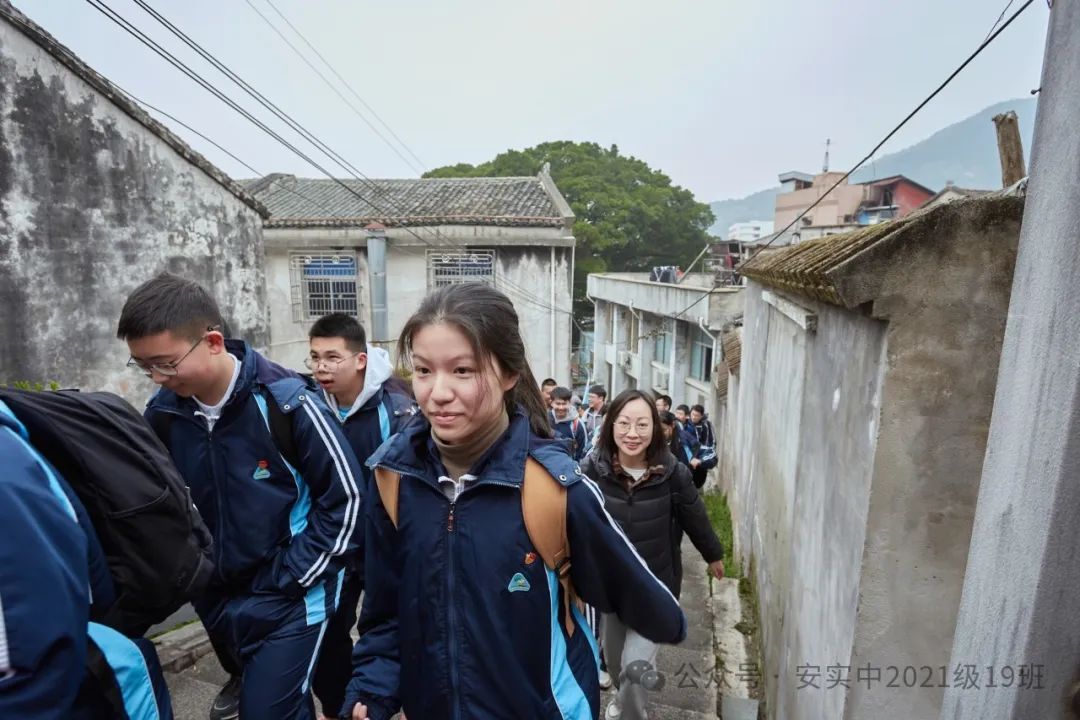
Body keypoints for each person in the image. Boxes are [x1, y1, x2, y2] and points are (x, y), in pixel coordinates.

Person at [342, 282, 686, 720]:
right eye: (424, 370)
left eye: (462, 370)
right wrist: (372, 688)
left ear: (510, 374)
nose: (438, 392)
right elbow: (385, 610)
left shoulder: (556, 488)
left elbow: (648, 603)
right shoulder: (393, 478)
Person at [118, 273, 365, 720]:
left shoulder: (287, 404)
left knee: (265, 710)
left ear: (213, 342)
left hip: (291, 596)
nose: (156, 377)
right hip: (218, 598)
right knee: (281, 704)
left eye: (166, 363)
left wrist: (292, 578)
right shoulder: (164, 414)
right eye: (144, 365)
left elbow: (348, 501)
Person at [0, 400, 172, 720]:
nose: (160, 378)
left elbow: (32, 674)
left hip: (89, 677)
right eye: (148, 372)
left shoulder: (7, 474)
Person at [581, 389, 725, 720]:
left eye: (642, 424)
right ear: (610, 425)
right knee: (615, 663)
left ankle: (632, 713)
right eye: (624, 423)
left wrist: (713, 554)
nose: (633, 433)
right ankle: (626, 699)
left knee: (634, 668)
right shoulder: (592, 469)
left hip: (656, 587)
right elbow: (569, 516)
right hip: (612, 590)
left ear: (655, 428)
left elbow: (695, 516)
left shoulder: (672, 472)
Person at [306, 313, 416, 719]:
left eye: (332, 357)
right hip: (333, 544)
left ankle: (389, 699)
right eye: (315, 357)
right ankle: (340, 707)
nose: (321, 367)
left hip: (385, 542)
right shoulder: (306, 406)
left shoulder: (397, 411)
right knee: (328, 630)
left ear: (360, 360)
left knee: (394, 624)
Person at [550, 385, 589, 461]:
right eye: (558, 404)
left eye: (564, 404)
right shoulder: (544, 420)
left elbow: (583, 451)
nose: (561, 407)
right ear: (551, 403)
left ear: (569, 403)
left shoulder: (577, 424)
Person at [687, 404, 718, 489]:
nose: (694, 417)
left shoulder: (706, 425)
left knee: (698, 483)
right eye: (692, 414)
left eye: (697, 415)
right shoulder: (686, 424)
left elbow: (711, 442)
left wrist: (702, 459)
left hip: (701, 459)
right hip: (688, 459)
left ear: (701, 416)